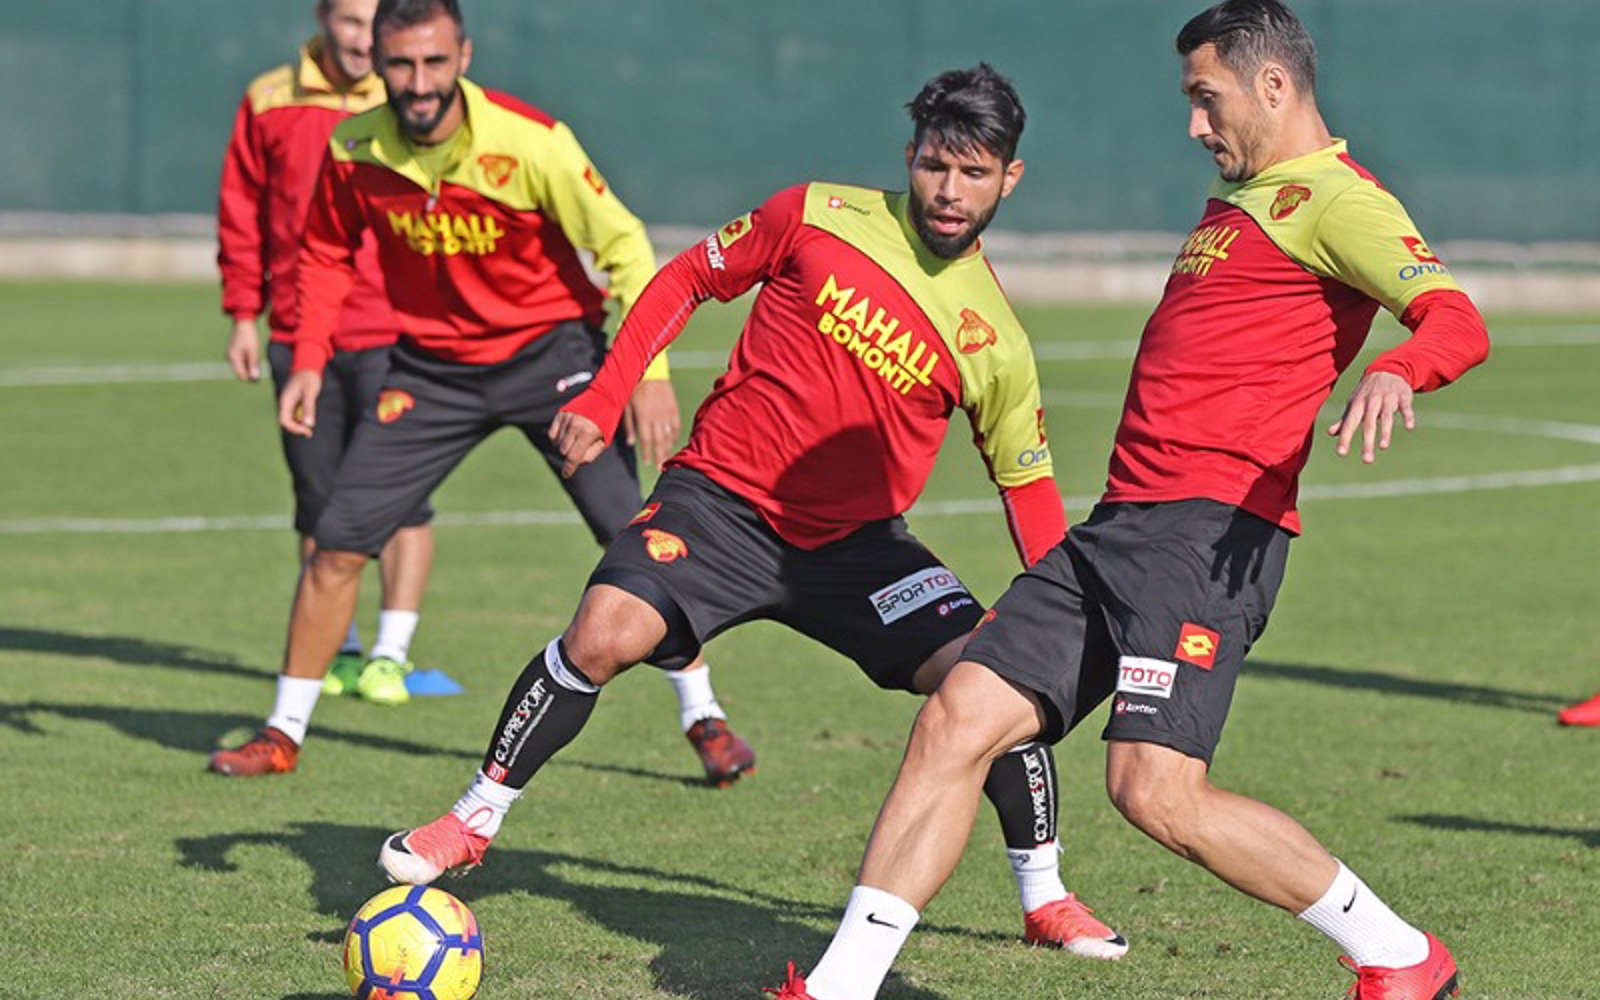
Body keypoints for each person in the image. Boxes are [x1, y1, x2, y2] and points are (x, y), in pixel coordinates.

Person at [771, 3, 1491, 998]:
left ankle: (1400, 954)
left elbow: (1454, 317)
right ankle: (839, 986)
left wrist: (1401, 368)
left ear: (1271, 86)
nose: (1194, 124)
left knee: (1155, 790)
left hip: (1206, 537)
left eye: (1206, 98)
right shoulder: (1244, 195)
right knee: (956, 718)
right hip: (1118, 528)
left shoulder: (1337, 199)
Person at [376, 63, 1130, 960]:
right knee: (603, 631)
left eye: (975, 173)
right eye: (936, 165)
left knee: (988, 676)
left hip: (859, 552)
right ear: (910, 156)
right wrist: (609, 393)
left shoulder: (994, 336)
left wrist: (1049, 621)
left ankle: (1045, 895)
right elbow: (683, 280)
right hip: (717, 507)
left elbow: (1027, 486)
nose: (950, 191)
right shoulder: (815, 214)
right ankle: (472, 819)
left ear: (1010, 178)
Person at [209, 0, 754, 787]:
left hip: (553, 359)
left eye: (434, 62)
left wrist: (647, 375)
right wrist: (309, 359)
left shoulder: (530, 141)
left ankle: (703, 715)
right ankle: (281, 733)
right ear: (378, 64)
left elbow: (626, 247)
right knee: (336, 544)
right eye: (401, 64)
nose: (418, 82)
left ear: (463, 56)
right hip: (430, 371)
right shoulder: (355, 147)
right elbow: (325, 253)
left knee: (633, 541)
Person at [217, 0, 437, 706]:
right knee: (318, 503)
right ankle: (336, 648)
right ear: (322, 18)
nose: (362, 38)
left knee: (406, 502)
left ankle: (389, 655)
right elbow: (242, 212)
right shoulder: (269, 98)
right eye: (348, 20)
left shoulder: (414, 98)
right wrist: (243, 313)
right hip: (297, 335)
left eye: (373, 22)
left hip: (396, 333)